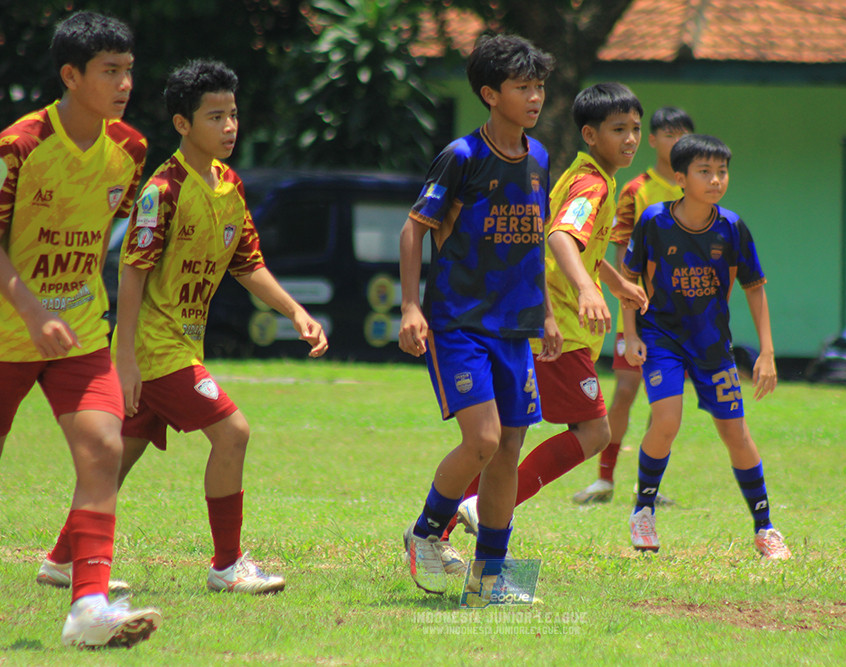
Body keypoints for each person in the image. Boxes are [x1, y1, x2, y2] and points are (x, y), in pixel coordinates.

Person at [37, 59, 329, 595]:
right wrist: (125, 360)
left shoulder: (230, 187)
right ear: (182, 124)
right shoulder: (163, 191)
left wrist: (295, 312)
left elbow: (247, 263)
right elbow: (132, 269)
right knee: (233, 432)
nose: (229, 127)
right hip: (155, 349)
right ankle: (227, 565)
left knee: (116, 462)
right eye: (215, 116)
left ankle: (61, 560)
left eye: (233, 115)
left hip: (175, 346)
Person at [0, 10, 162, 648]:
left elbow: (104, 245)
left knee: (103, 449)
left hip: (80, 334)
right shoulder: (19, 146)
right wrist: (34, 311)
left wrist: (120, 349)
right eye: (110, 71)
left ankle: (87, 608)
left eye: (128, 70)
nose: (124, 83)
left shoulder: (131, 149)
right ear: (71, 75)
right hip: (10, 333)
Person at [398, 33, 560, 598]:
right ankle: (424, 534)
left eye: (539, 86)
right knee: (485, 439)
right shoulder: (463, 156)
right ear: (491, 94)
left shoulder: (539, 158)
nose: (535, 97)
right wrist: (412, 307)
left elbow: (531, 241)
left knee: (509, 450)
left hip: (516, 328)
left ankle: (490, 576)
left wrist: (545, 314)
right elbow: (413, 228)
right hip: (459, 323)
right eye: (523, 87)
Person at [448, 82, 649, 540]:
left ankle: (440, 527)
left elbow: (582, 247)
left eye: (636, 128)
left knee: (505, 439)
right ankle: (484, 508)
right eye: (618, 129)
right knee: (594, 430)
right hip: (558, 329)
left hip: (543, 322)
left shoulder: (589, 174)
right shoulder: (592, 183)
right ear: (590, 134)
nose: (631, 139)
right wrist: (586, 291)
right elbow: (559, 237)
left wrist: (615, 285)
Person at [621, 134, 791, 560]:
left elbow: (754, 287)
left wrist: (767, 353)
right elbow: (629, 279)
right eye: (705, 172)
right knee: (666, 421)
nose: (716, 180)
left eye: (722, 171)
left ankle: (765, 528)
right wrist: (629, 335)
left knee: (736, 433)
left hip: (713, 345)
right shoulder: (654, 222)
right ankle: (643, 509)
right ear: (680, 177)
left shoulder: (732, 227)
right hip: (661, 338)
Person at [573, 106, 694, 506]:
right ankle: (604, 479)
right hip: (639, 310)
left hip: (681, 315)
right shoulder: (635, 189)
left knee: (665, 401)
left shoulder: (695, 188)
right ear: (655, 140)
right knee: (625, 389)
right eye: (668, 134)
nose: (676, 142)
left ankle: (649, 487)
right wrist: (627, 303)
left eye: (684, 134)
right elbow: (623, 254)